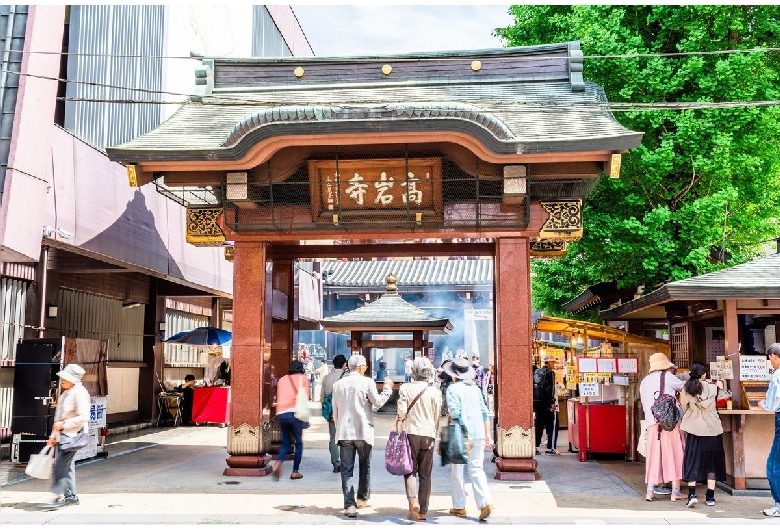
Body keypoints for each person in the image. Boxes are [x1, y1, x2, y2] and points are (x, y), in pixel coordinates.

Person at [332, 354, 394, 518]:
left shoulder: (338, 385)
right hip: (363, 430)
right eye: (365, 366)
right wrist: (387, 388)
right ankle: (362, 498)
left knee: (346, 469)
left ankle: (349, 505)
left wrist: (339, 428)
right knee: (365, 464)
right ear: (359, 367)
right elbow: (378, 402)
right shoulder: (367, 382)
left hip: (345, 431)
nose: (366, 368)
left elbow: (335, 411)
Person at [444, 357, 494, 521]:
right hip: (479, 433)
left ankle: (459, 506)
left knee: (457, 472)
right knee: (476, 469)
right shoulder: (475, 388)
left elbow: (456, 412)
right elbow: (484, 412)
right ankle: (484, 502)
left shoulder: (452, 389)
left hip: (460, 433)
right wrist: (488, 434)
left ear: (454, 375)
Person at [37, 364, 91, 511]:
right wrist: (54, 436)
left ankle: (62, 495)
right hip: (64, 436)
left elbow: (83, 416)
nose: (61, 380)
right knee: (66, 467)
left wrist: (64, 425)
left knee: (61, 466)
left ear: (73, 379)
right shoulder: (67, 393)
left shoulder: (79, 393)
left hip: (73, 435)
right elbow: (58, 418)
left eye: (65, 378)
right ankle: (70, 496)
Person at [396, 357, 441, 521]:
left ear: (413, 372)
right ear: (429, 373)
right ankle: (423, 511)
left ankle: (412, 501)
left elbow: (401, 412)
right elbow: (437, 416)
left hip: (411, 433)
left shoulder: (405, 388)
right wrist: (433, 432)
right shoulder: (435, 391)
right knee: (425, 474)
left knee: (410, 470)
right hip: (429, 434)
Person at [679, 361, 726, 508]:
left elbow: (683, 407)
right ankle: (710, 496)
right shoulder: (713, 388)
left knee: (693, 461)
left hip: (694, 429)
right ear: (704, 374)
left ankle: (692, 494)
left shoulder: (686, 389)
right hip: (712, 430)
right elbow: (724, 397)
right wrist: (720, 386)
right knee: (711, 463)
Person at [640, 352, 686, 502]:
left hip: (653, 424)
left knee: (654, 456)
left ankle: (650, 491)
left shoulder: (645, 381)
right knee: (674, 454)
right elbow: (685, 388)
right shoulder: (668, 377)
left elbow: (645, 402)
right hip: (670, 423)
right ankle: (676, 491)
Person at [271, 360, 310, 481]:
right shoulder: (303, 379)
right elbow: (306, 397)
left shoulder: (282, 379)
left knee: (286, 443)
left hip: (281, 414)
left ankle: (278, 463)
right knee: (298, 443)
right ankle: (295, 471)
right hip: (295, 413)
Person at [759, 343, 780, 516]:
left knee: (774, 465)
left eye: (770, 358)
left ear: (774, 355)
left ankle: (779, 504)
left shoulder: (778, 375)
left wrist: (763, 404)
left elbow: (774, 401)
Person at [320, 354, 348, 473]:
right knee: (345, 438)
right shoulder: (346, 376)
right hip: (344, 411)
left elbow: (322, 397)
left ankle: (336, 463)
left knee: (333, 438)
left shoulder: (327, 377)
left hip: (331, 411)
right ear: (344, 364)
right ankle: (345, 462)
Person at [533, 355, 558, 455]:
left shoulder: (536, 372)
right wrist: (552, 402)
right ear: (549, 363)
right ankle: (550, 448)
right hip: (547, 403)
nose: (554, 364)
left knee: (538, 425)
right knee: (551, 424)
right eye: (553, 362)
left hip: (537, 402)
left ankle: (535, 446)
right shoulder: (550, 373)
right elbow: (551, 388)